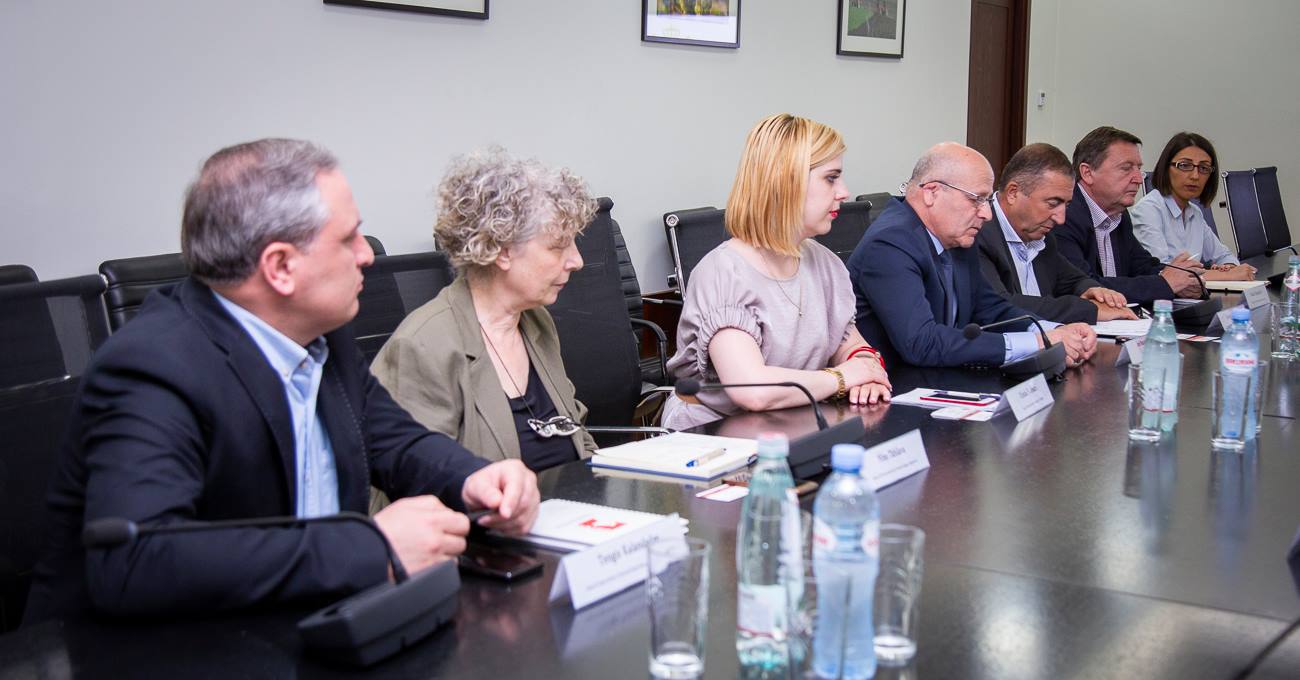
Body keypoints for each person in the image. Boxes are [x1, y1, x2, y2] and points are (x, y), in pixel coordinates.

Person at [24, 139, 539, 622]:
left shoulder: (322, 335)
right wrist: (371, 549)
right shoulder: (152, 368)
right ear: (280, 267)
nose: (366, 254)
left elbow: (393, 441)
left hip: (310, 625)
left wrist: (472, 479)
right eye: (348, 238)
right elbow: (137, 560)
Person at [372, 148, 597, 474]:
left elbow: (576, 433)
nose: (577, 261)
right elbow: (414, 480)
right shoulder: (422, 345)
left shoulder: (536, 321)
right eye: (558, 246)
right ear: (502, 251)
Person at [661, 113, 892, 431]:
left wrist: (867, 371)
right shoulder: (724, 273)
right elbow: (753, 390)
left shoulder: (825, 263)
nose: (844, 192)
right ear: (786, 182)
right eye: (831, 178)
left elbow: (849, 345)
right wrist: (842, 378)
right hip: (713, 436)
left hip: (791, 424)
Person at [848, 142, 1097, 368]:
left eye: (987, 200)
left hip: (941, 379)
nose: (986, 214)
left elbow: (990, 308)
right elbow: (922, 343)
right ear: (932, 192)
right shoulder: (890, 243)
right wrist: (1037, 343)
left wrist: (1052, 330)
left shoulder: (957, 236)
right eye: (976, 199)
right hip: (892, 390)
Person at [976, 143, 1136, 324]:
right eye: (1053, 204)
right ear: (1013, 193)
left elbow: (1072, 279)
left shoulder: (1042, 237)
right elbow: (1000, 305)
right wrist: (1088, 309)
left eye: (1066, 205)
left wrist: (1094, 290)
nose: (1061, 219)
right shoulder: (980, 234)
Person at [1056, 126, 1203, 304]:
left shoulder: (1119, 214)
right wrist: (1165, 283)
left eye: (1138, 168)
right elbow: (1084, 286)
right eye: (1126, 168)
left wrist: (1183, 279)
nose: (1139, 179)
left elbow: (1142, 266)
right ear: (1087, 173)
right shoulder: (1063, 215)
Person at [1130, 132, 1256, 281]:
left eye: (1204, 168)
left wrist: (1228, 267)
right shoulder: (1148, 210)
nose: (1195, 176)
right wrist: (1225, 275)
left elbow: (1224, 255)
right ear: (1166, 168)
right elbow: (1162, 273)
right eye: (1185, 165)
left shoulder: (1194, 213)